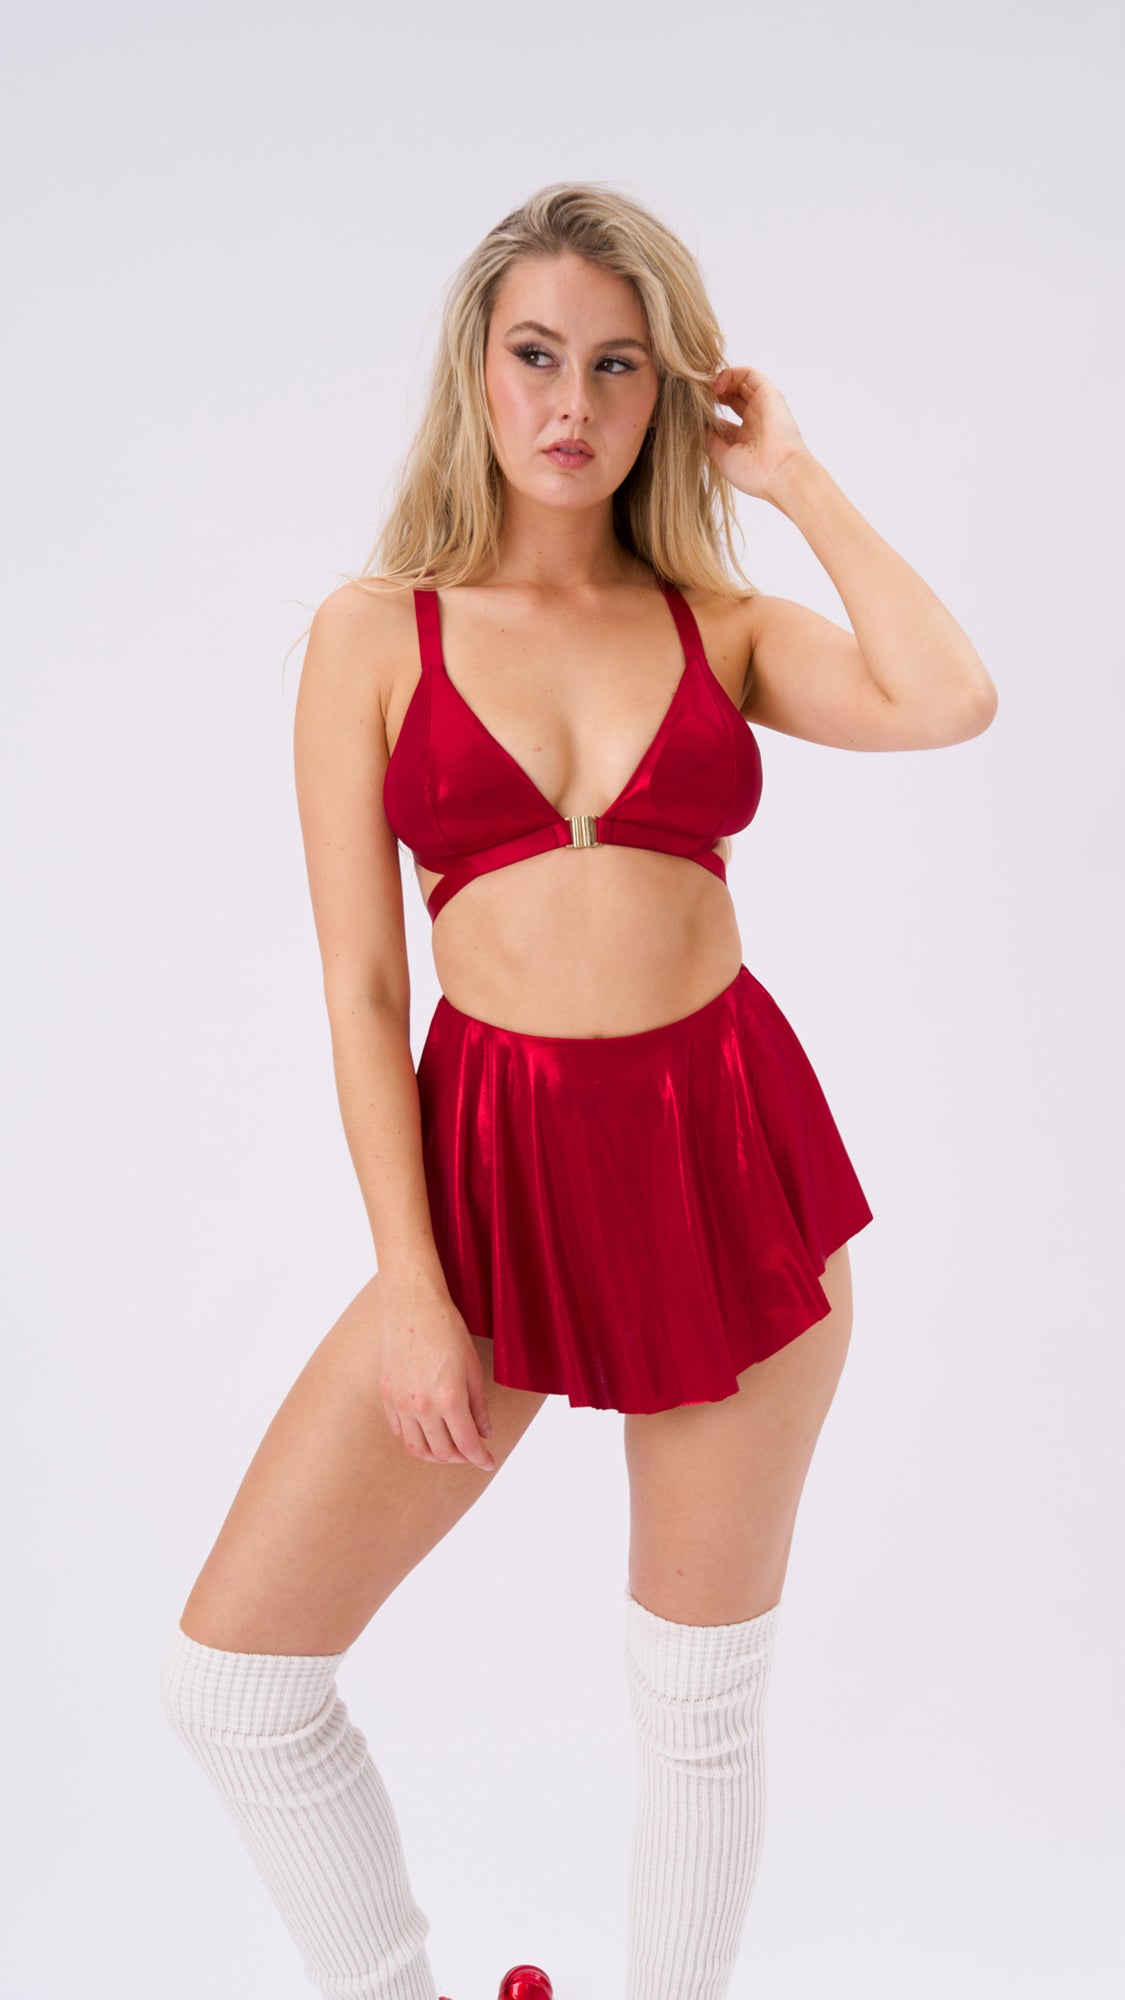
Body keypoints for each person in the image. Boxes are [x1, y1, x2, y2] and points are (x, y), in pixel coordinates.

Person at [158, 181, 998, 2000]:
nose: (572, 403)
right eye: (537, 355)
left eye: (619, 366)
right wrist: (412, 1288)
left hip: (727, 1165)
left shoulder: (718, 619)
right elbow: (362, 985)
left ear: (668, 391)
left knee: (695, 1697)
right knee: (238, 1680)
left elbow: (947, 700)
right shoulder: (374, 632)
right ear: (475, 369)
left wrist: (793, 480)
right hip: (490, 1179)